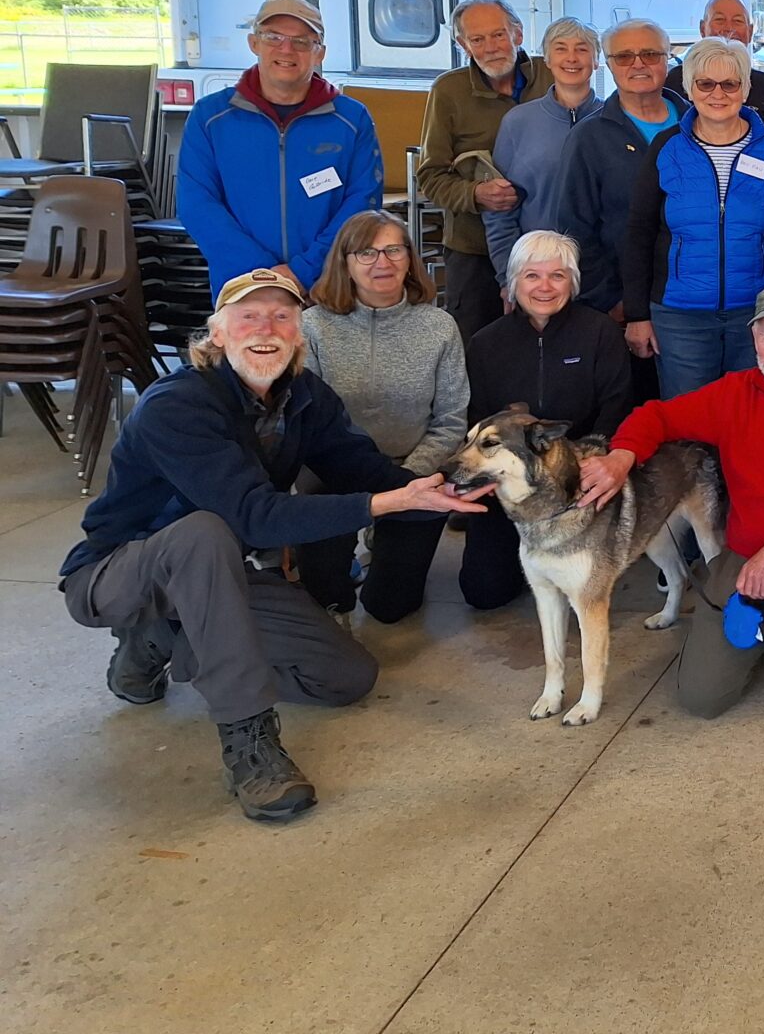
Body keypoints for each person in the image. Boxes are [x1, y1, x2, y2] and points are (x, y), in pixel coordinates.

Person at [58, 268, 482, 822]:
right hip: (118, 575)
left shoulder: (303, 396)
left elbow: (355, 465)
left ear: (299, 335)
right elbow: (253, 519)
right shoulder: (175, 405)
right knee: (204, 532)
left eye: (282, 316)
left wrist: (424, 488)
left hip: (216, 580)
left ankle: (162, 639)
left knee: (346, 678)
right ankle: (250, 743)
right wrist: (382, 507)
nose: (266, 327)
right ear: (216, 334)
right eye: (249, 315)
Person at [581, 284, 764, 710]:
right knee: (701, 696)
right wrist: (622, 455)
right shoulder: (734, 393)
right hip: (746, 549)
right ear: (754, 340)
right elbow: (658, 415)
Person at [295, 211, 470, 619]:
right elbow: (310, 423)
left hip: (414, 468)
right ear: (345, 261)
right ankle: (347, 552)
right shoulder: (312, 327)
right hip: (332, 471)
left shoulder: (439, 327)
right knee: (327, 599)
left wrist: (406, 482)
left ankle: (384, 539)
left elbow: (450, 419)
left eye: (394, 249)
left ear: (410, 258)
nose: (382, 262)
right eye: (367, 252)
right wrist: (374, 493)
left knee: (390, 608)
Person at [462, 231, 635, 611]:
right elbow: (475, 418)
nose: (544, 287)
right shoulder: (485, 343)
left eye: (557, 276)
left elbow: (617, 404)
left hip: (578, 477)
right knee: (483, 593)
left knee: (581, 589)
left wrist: (593, 461)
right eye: (532, 275)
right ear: (513, 282)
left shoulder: (600, 332)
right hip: (509, 484)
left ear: (572, 282)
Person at [177, 0, 382, 297]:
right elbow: (197, 204)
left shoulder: (352, 120)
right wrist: (260, 274)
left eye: (301, 41)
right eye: (273, 37)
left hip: (329, 287)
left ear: (320, 53)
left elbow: (362, 203)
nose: (286, 49)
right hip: (242, 289)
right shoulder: (210, 117)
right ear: (253, 43)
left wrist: (304, 271)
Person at [623, 36, 764, 397]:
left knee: (749, 421)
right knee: (687, 428)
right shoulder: (667, 147)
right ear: (690, 89)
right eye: (705, 83)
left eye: (730, 83)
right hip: (679, 318)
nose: (718, 93)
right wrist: (637, 315)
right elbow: (639, 232)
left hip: (756, 314)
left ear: (744, 90)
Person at [416, 0, 555, 341]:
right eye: (477, 39)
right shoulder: (448, 91)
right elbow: (430, 175)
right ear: (463, 44)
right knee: (478, 348)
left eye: (498, 35)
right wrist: (475, 194)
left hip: (550, 249)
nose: (490, 47)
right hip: (474, 248)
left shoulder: (552, 75)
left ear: (518, 34)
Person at [558, 18, 684, 325]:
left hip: (693, 301)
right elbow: (575, 227)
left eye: (651, 54)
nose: (638, 64)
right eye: (625, 56)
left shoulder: (697, 125)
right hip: (622, 305)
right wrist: (610, 299)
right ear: (609, 64)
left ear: (667, 60)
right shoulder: (589, 137)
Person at [485, 16, 601, 284]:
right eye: (561, 48)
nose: (571, 58)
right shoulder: (518, 122)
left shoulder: (615, 120)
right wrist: (508, 278)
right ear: (547, 59)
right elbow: (499, 210)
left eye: (582, 49)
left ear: (596, 60)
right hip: (537, 275)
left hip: (602, 276)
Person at [663, 0, 764, 113]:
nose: (729, 28)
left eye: (738, 21)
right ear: (702, 29)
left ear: (750, 31)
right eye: (719, 20)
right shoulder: (675, 81)